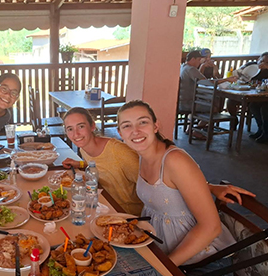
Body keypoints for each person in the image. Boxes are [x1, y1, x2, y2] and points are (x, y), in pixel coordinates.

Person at [62, 107, 255, 216]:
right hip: (109, 209)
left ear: (92, 126)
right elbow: (102, 166)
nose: (76, 134)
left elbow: (160, 179)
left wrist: (209, 187)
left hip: (134, 215)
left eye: (80, 127)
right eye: (70, 129)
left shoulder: (120, 153)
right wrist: (80, 164)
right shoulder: (83, 148)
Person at [117, 100, 238, 272]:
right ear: (120, 132)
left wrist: (162, 268)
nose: (135, 131)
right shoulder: (143, 155)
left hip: (201, 262)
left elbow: (211, 227)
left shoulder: (175, 160)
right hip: (162, 251)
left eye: (143, 122)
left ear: (155, 125)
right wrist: (208, 187)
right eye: (127, 125)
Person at [180, 50, 237, 137]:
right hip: (188, 103)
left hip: (183, 101)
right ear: (193, 59)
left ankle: (190, 129)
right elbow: (207, 82)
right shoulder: (191, 69)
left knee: (209, 103)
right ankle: (195, 130)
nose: (200, 62)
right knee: (213, 109)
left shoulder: (183, 67)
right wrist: (227, 79)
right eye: (199, 60)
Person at [248, 52, 268, 143]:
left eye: (266, 62)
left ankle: (266, 134)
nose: (263, 63)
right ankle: (261, 129)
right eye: (262, 61)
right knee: (253, 105)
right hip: (261, 94)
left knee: (265, 108)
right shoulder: (253, 67)